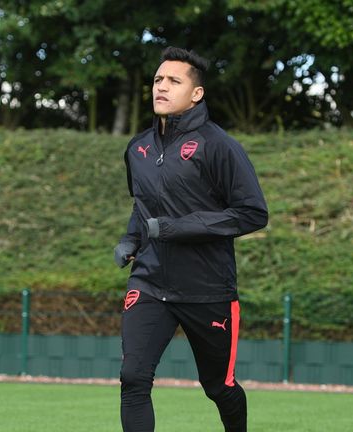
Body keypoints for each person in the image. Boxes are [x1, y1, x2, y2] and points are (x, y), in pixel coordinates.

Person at [113, 46, 268, 432]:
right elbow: (143, 205)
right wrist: (131, 239)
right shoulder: (138, 148)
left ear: (196, 93)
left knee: (219, 386)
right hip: (150, 283)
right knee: (133, 378)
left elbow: (253, 213)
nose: (161, 87)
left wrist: (173, 228)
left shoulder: (220, 146)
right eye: (157, 80)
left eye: (173, 81)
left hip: (207, 289)